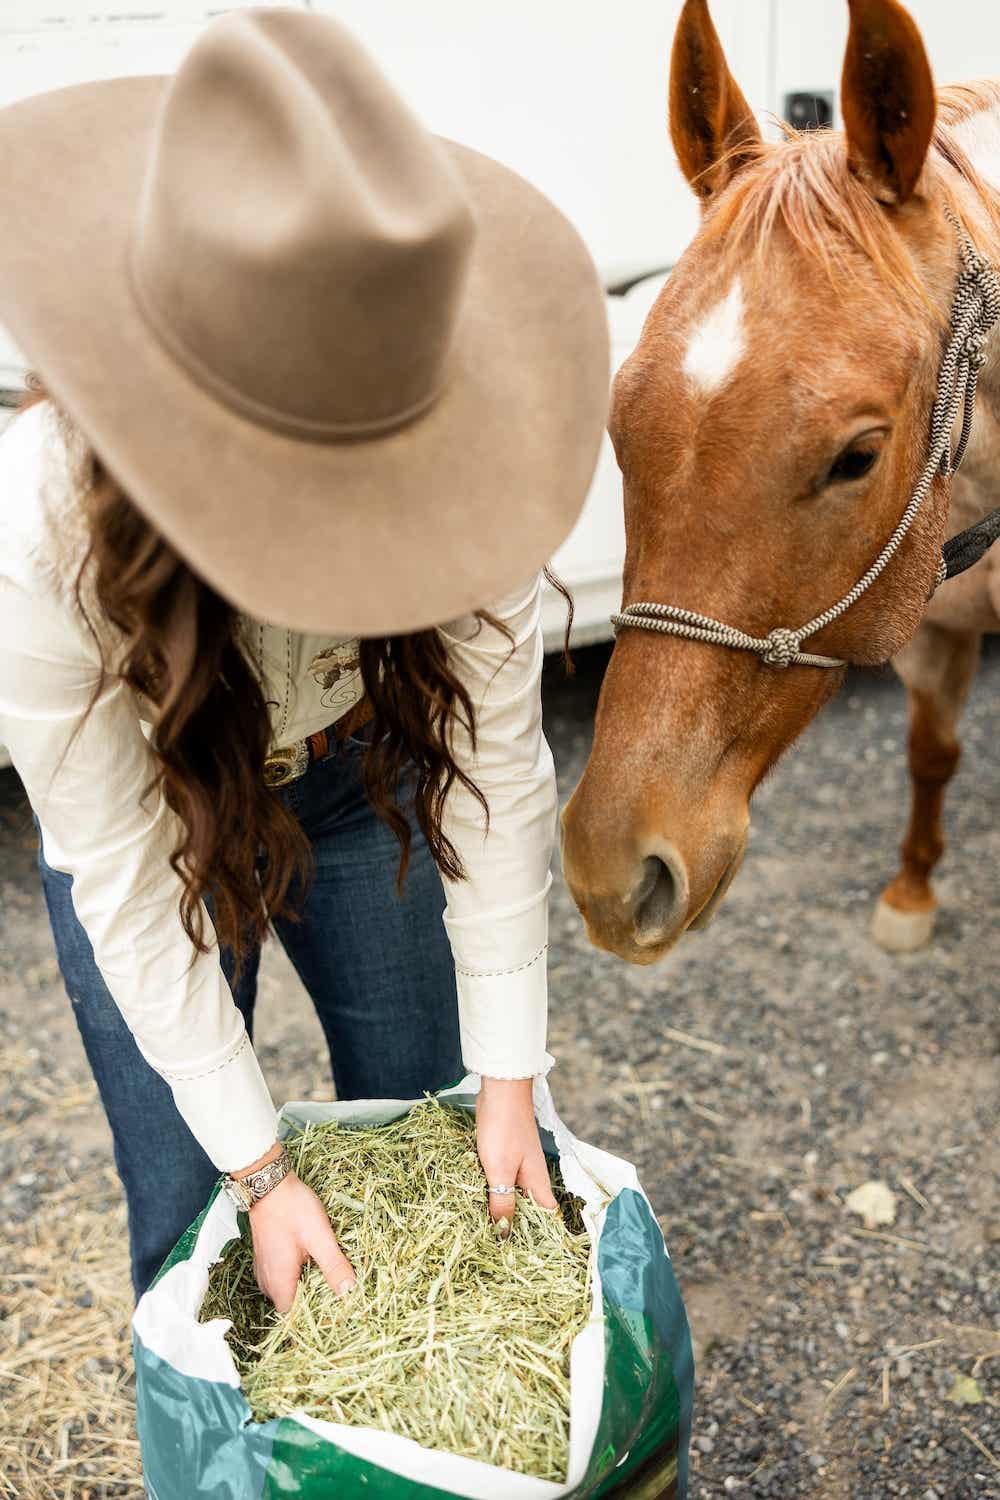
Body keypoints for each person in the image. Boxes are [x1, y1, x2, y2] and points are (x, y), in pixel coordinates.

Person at [0, 9, 609, 1309]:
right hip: (158, 836)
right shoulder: (36, 533)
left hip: (359, 776)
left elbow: (499, 759)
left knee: (433, 1142)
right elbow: (115, 867)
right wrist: (265, 1176)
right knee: (195, 1240)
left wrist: (510, 1080)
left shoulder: (478, 433)